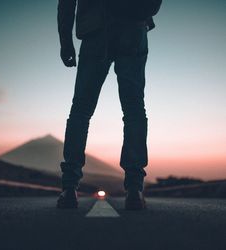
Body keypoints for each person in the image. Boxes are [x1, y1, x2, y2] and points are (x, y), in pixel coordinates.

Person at [56, 0, 161, 210]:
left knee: (81, 110)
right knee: (134, 111)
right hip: (134, 28)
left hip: (97, 29)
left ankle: (69, 188)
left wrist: (66, 40)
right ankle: (134, 189)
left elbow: (66, 3)